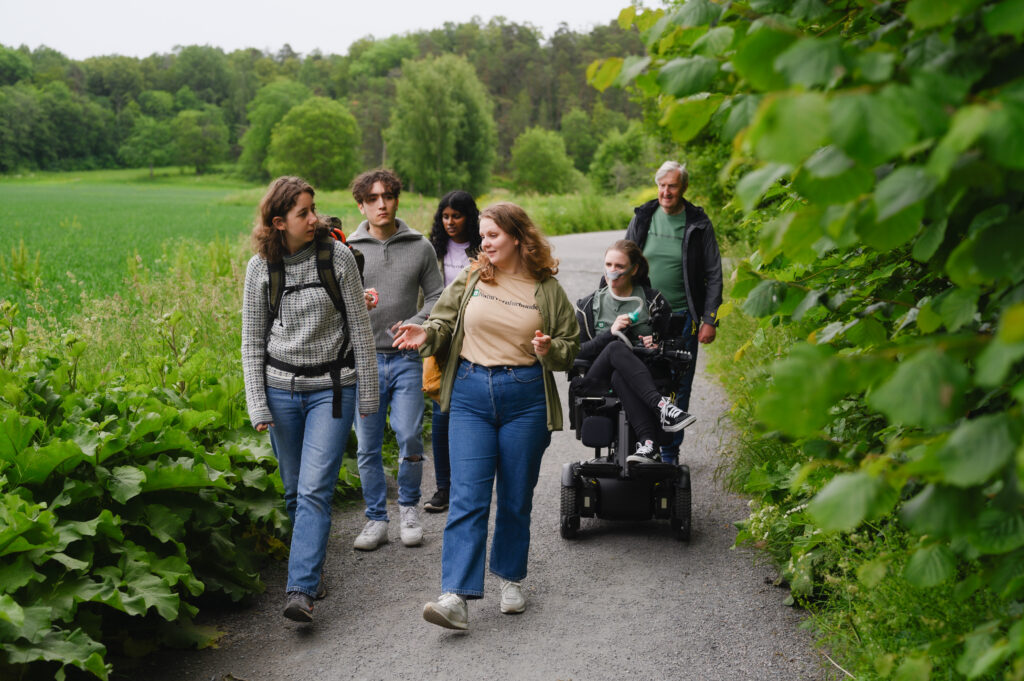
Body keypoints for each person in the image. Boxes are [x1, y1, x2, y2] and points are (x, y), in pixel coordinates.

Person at [391, 202, 579, 630]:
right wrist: (426, 334)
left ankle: (510, 578)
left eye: (492, 235)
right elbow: (441, 322)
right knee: (466, 498)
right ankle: (455, 595)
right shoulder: (474, 275)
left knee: (515, 497)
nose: (485, 242)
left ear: (517, 237)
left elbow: (571, 347)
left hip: (525, 398)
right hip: (471, 395)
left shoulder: (546, 289)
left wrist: (551, 350)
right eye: (483, 236)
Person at [241, 176, 378, 623]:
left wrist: (370, 399)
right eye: (303, 213)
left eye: (313, 208)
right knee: (294, 493)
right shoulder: (260, 267)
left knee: (315, 489)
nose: (314, 218)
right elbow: (251, 342)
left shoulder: (337, 256)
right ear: (279, 223)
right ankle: (311, 568)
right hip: (281, 390)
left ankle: (300, 589)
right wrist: (258, 404)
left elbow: (360, 329)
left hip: (332, 391)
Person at [346, 169, 444, 550]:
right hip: (364, 361)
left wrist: (418, 321)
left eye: (387, 196)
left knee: (408, 435)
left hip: (405, 359)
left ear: (396, 199)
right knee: (367, 445)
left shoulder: (419, 246)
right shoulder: (348, 249)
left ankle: (408, 508)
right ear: (361, 205)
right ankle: (375, 519)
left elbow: (437, 296)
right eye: (372, 199)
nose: (381, 204)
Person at [625, 161, 722, 463]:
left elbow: (714, 272)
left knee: (677, 386)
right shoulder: (643, 216)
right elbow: (621, 258)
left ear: (683, 189)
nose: (666, 191)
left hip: (682, 319)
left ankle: (669, 452)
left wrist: (709, 319)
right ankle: (643, 443)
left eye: (673, 186)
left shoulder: (698, 222)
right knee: (639, 379)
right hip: (641, 316)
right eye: (662, 185)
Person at [573, 240, 696, 463]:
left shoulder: (653, 301)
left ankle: (648, 444)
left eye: (619, 266)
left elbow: (677, 344)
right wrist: (610, 332)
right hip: (597, 378)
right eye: (608, 264)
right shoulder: (588, 305)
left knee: (621, 375)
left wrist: (657, 344)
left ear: (634, 269)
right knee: (615, 346)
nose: (612, 271)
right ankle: (662, 407)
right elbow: (576, 352)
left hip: (639, 376)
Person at [423, 190, 482, 513]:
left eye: (456, 216)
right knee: (440, 409)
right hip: (442, 335)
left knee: (471, 408)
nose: (449, 223)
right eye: (445, 216)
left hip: (475, 336)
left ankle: (468, 484)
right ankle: (443, 488)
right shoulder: (433, 249)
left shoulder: (482, 248)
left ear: (468, 217)